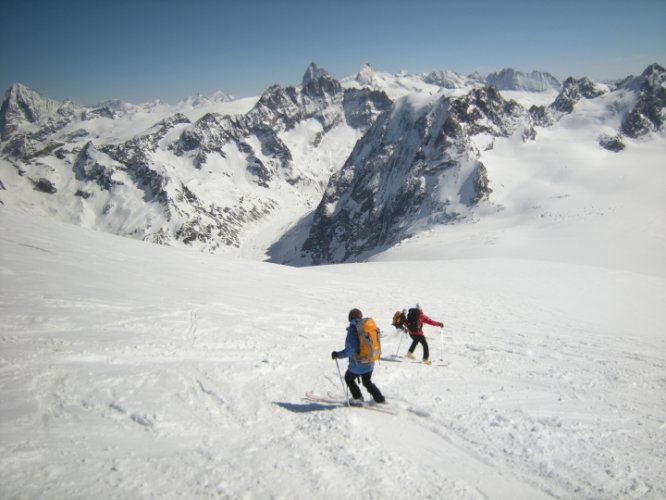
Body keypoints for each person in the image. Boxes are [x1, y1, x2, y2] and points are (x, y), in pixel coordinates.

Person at [331, 308, 385, 405]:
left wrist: (338, 355)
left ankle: (357, 398)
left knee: (348, 378)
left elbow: (350, 350)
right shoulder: (366, 326)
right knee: (367, 382)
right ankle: (379, 399)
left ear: (350, 318)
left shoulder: (353, 330)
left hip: (358, 364)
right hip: (370, 361)